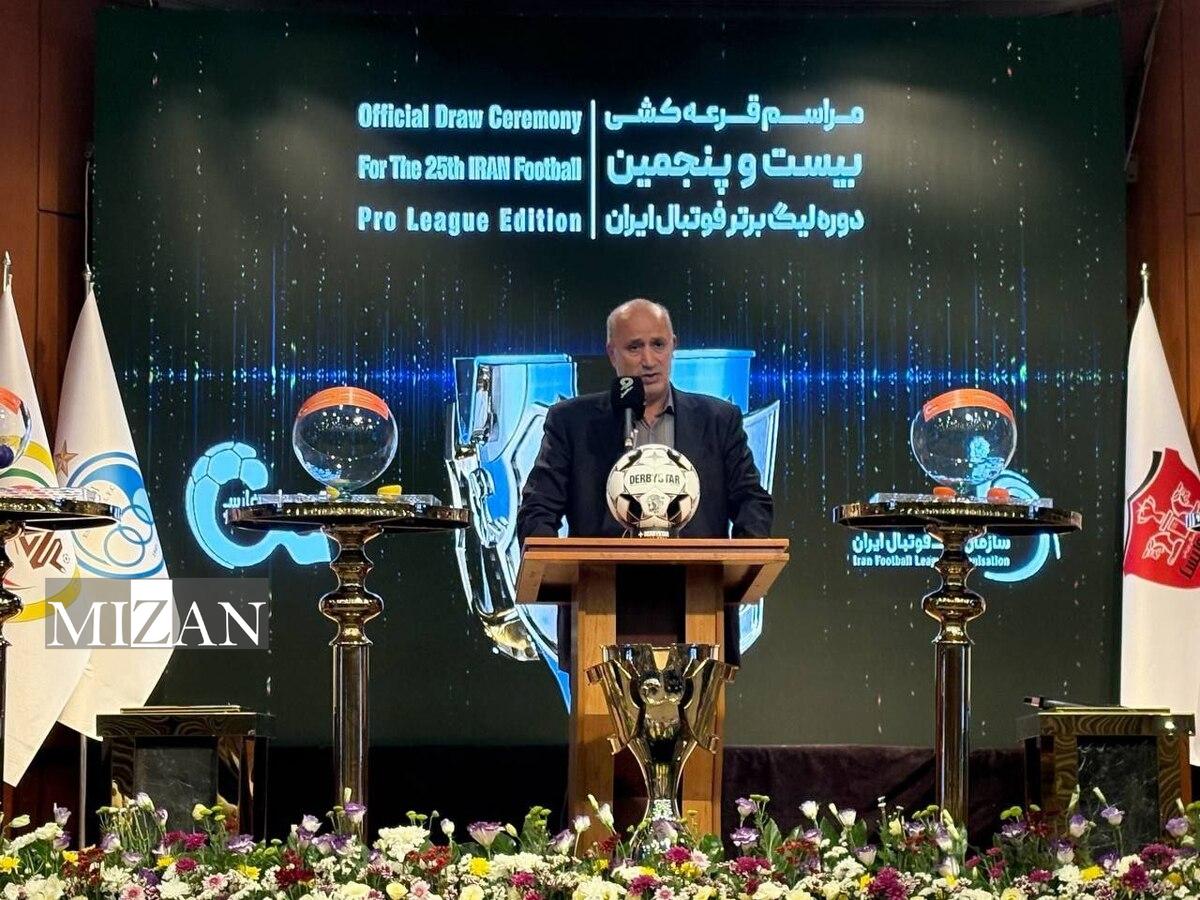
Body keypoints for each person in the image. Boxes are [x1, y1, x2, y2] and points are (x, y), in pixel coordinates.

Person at [516, 298, 773, 542]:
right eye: (634, 347)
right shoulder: (572, 422)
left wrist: (738, 566)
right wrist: (557, 567)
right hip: (600, 573)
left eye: (658, 345)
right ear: (612, 354)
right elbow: (537, 510)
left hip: (696, 573)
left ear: (673, 346)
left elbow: (752, 502)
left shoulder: (719, 420)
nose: (649, 361)